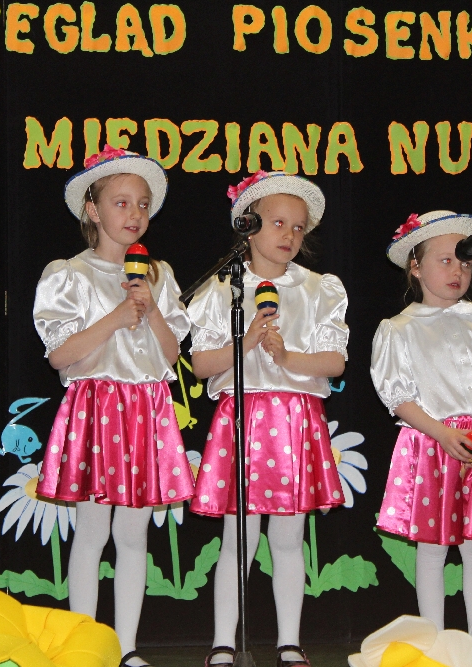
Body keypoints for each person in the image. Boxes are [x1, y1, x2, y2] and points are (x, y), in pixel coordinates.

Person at [33, 145, 194, 667]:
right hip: (96, 405)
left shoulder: (158, 274)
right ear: (93, 209)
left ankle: (126, 648)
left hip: (146, 407)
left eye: (142, 204)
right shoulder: (69, 273)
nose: (135, 214)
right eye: (121, 203)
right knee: (92, 530)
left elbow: (171, 355)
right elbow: (60, 354)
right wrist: (117, 315)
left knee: (133, 533)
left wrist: (149, 309)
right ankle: (83, 647)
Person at [188, 171, 349, 667]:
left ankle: (289, 642)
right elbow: (201, 364)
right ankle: (223, 643)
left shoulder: (319, 289)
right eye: (278, 223)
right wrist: (246, 342)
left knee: (288, 538)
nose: (289, 235)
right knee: (238, 538)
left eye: (298, 228)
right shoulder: (222, 289)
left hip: (295, 418)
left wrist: (288, 357)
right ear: (249, 225)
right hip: (243, 417)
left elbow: (335, 361)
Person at [370, 210, 472, 653]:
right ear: (415, 267)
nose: (457, 271)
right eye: (445, 260)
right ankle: (435, 648)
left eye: (465, 262)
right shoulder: (398, 329)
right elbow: (397, 397)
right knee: (432, 550)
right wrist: (442, 433)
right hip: (430, 444)